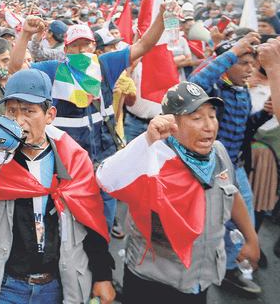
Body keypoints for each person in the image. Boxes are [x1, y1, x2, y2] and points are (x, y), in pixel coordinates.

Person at [8, 2, 181, 234]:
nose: (81, 51)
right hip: (66, 166)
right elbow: (16, 69)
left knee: (102, 226)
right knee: (68, 227)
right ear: (65, 49)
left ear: (94, 47)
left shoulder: (106, 65)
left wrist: (161, 16)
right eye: (75, 46)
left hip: (104, 161)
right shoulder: (53, 69)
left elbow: (144, 45)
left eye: (86, 45)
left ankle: (102, 259)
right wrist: (26, 34)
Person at [0, 69, 114, 304]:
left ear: (50, 115)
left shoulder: (73, 160)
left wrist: (103, 276)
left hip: (58, 285)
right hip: (4, 287)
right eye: (12, 111)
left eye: (29, 111)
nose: (18, 121)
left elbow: (91, 219)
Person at [96, 82, 260, 303]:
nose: (209, 126)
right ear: (172, 122)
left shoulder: (218, 153)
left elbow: (232, 195)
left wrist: (251, 239)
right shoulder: (152, 155)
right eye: (197, 118)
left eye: (212, 116)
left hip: (200, 279)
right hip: (152, 282)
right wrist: (147, 139)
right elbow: (105, 178)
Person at [188, 32, 272, 294]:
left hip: (234, 167)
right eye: (242, 62)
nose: (251, 69)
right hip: (209, 170)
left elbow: (244, 128)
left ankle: (232, 270)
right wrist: (232, 52)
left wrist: (262, 116)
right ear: (227, 64)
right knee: (208, 223)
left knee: (240, 220)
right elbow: (194, 81)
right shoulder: (213, 90)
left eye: (252, 63)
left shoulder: (242, 90)